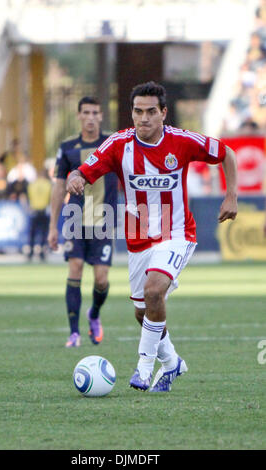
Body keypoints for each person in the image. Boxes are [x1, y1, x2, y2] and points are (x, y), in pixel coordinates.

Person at [66, 81, 238, 392]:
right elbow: (83, 170)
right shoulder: (119, 145)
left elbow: (227, 154)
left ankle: (144, 369)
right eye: (137, 111)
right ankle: (172, 363)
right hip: (138, 240)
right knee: (143, 309)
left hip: (176, 233)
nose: (143, 118)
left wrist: (231, 196)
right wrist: (74, 178)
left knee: (154, 290)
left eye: (150, 112)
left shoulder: (182, 142)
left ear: (163, 114)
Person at [47, 96, 118, 348]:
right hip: (75, 218)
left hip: (104, 219)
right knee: (75, 267)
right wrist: (53, 225)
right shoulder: (68, 147)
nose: (90, 117)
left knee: (101, 279)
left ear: (101, 116)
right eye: (86, 112)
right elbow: (58, 188)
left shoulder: (112, 144)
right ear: (79, 115)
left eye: (95, 112)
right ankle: (74, 333)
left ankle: (94, 315)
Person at [27, 168, 52, 261]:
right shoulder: (48, 184)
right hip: (44, 210)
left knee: (32, 233)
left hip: (34, 210)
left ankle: (31, 252)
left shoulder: (32, 184)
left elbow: (28, 197)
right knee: (43, 233)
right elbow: (51, 197)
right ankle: (42, 252)